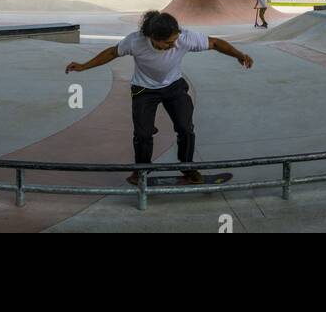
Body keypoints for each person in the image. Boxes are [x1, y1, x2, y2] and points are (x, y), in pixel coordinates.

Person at [65, 11, 254, 186]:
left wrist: (239, 55)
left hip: (174, 86)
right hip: (144, 90)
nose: (174, 45)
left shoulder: (184, 38)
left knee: (185, 128)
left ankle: (187, 167)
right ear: (152, 37)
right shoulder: (135, 41)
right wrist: (83, 66)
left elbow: (215, 43)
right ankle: (141, 171)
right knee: (142, 134)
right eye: (168, 43)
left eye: (175, 40)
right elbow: (111, 53)